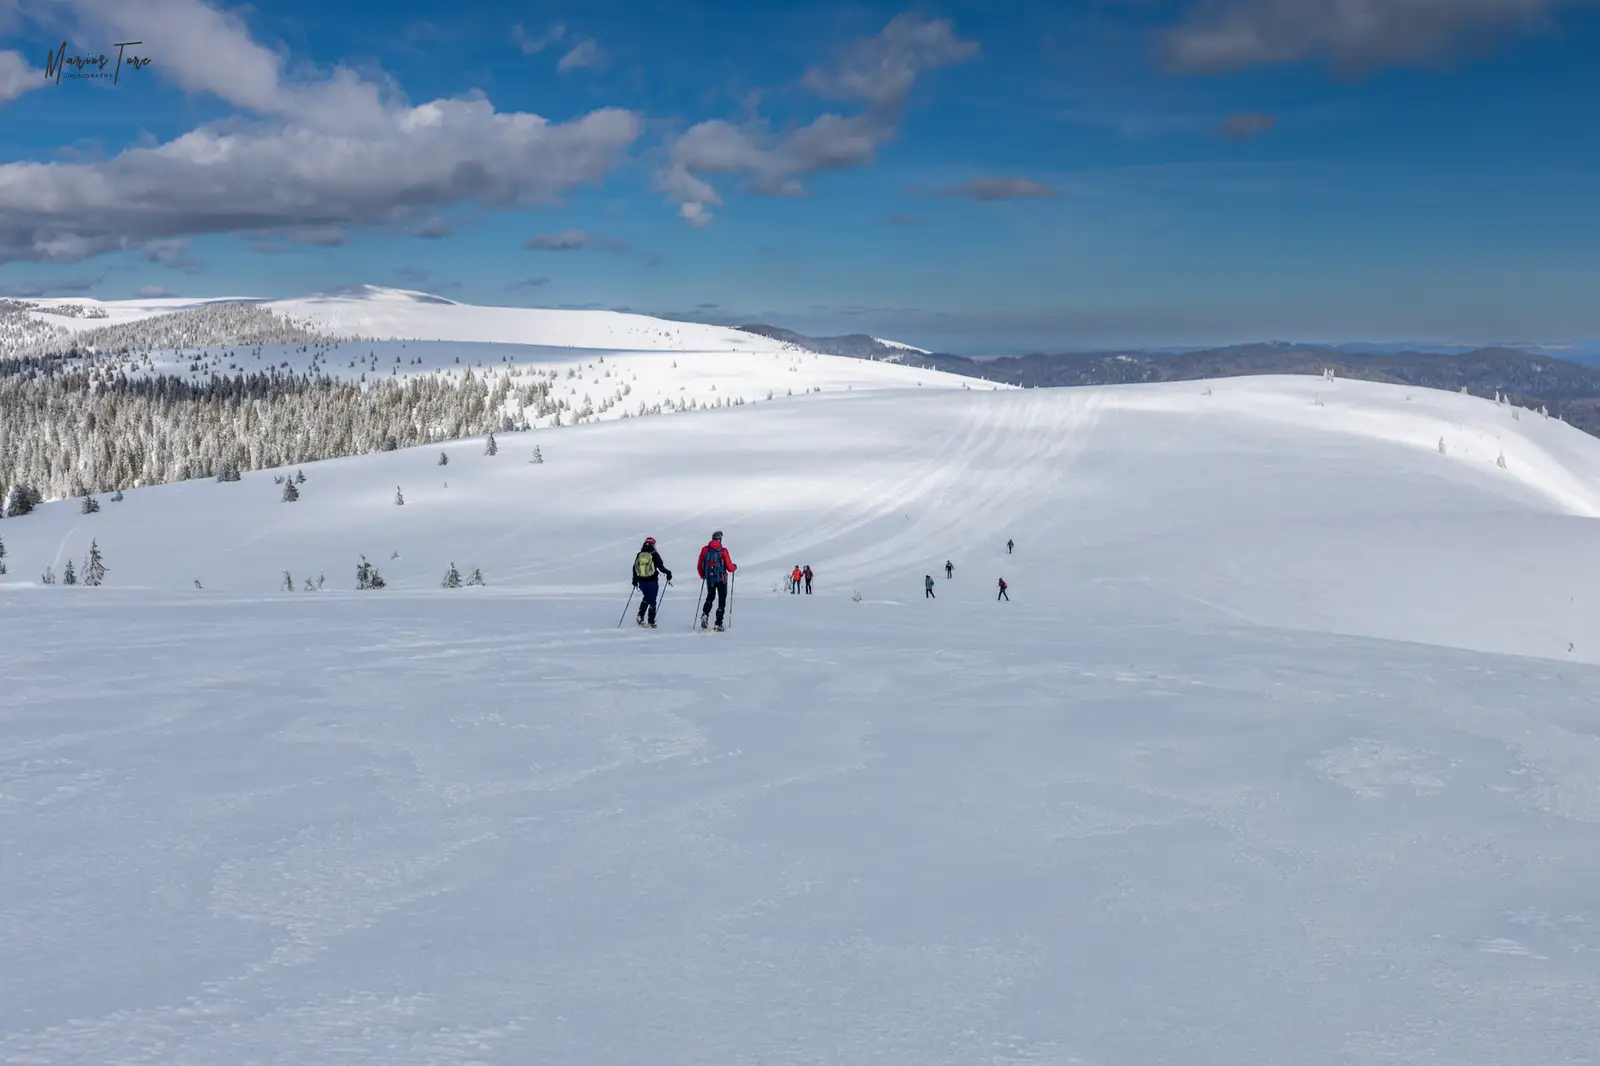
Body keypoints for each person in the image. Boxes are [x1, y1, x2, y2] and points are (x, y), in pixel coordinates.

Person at [698, 531, 737, 630]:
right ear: (720, 539)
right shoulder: (723, 551)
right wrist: (734, 567)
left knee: (710, 597)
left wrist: (704, 576)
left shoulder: (705, 550)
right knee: (721, 600)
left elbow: (699, 565)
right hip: (721, 579)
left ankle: (705, 615)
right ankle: (718, 623)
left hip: (710, 579)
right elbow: (729, 567)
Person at [631, 537, 673, 627]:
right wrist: (668, 573)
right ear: (653, 544)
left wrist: (634, 580)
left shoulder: (639, 554)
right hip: (652, 581)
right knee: (652, 601)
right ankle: (651, 621)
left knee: (646, 597)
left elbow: (634, 567)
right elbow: (661, 567)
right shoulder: (654, 554)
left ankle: (640, 616)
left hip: (641, 581)